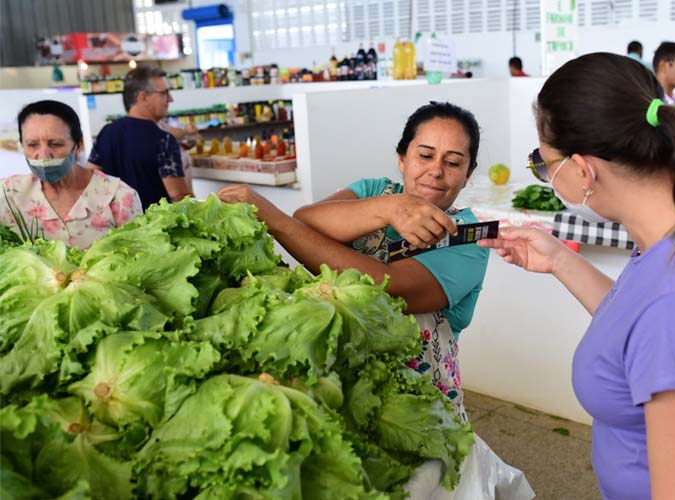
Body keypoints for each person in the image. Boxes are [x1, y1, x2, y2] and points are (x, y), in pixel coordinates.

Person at [479, 53, 675, 499]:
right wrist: (559, 261)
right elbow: (638, 325)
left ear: (584, 170)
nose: (546, 175)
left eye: (545, 163)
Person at [218, 102, 490, 420]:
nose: (436, 171)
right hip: (343, 383)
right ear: (402, 159)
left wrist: (272, 217)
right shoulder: (373, 191)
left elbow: (387, 288)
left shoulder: (469, 238)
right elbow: (307, 220)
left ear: (468, 173)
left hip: (415, 407)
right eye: (425, 156)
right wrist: (389, 209)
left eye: (453, 162)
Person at [1, 100, 141, 249]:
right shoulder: (7, 195)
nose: (43, 156)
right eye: (32, 145)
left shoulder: (119, 197)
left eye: (55, 144)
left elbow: (136, 259)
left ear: (78, 145)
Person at [87, 65, 192, 210]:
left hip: (118, 226)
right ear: (143, 97)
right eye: (164, 93)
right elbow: (178, 195)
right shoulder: (163, 140)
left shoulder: (106, 132)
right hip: (154, 226)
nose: (170, 99)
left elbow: (89, 178)